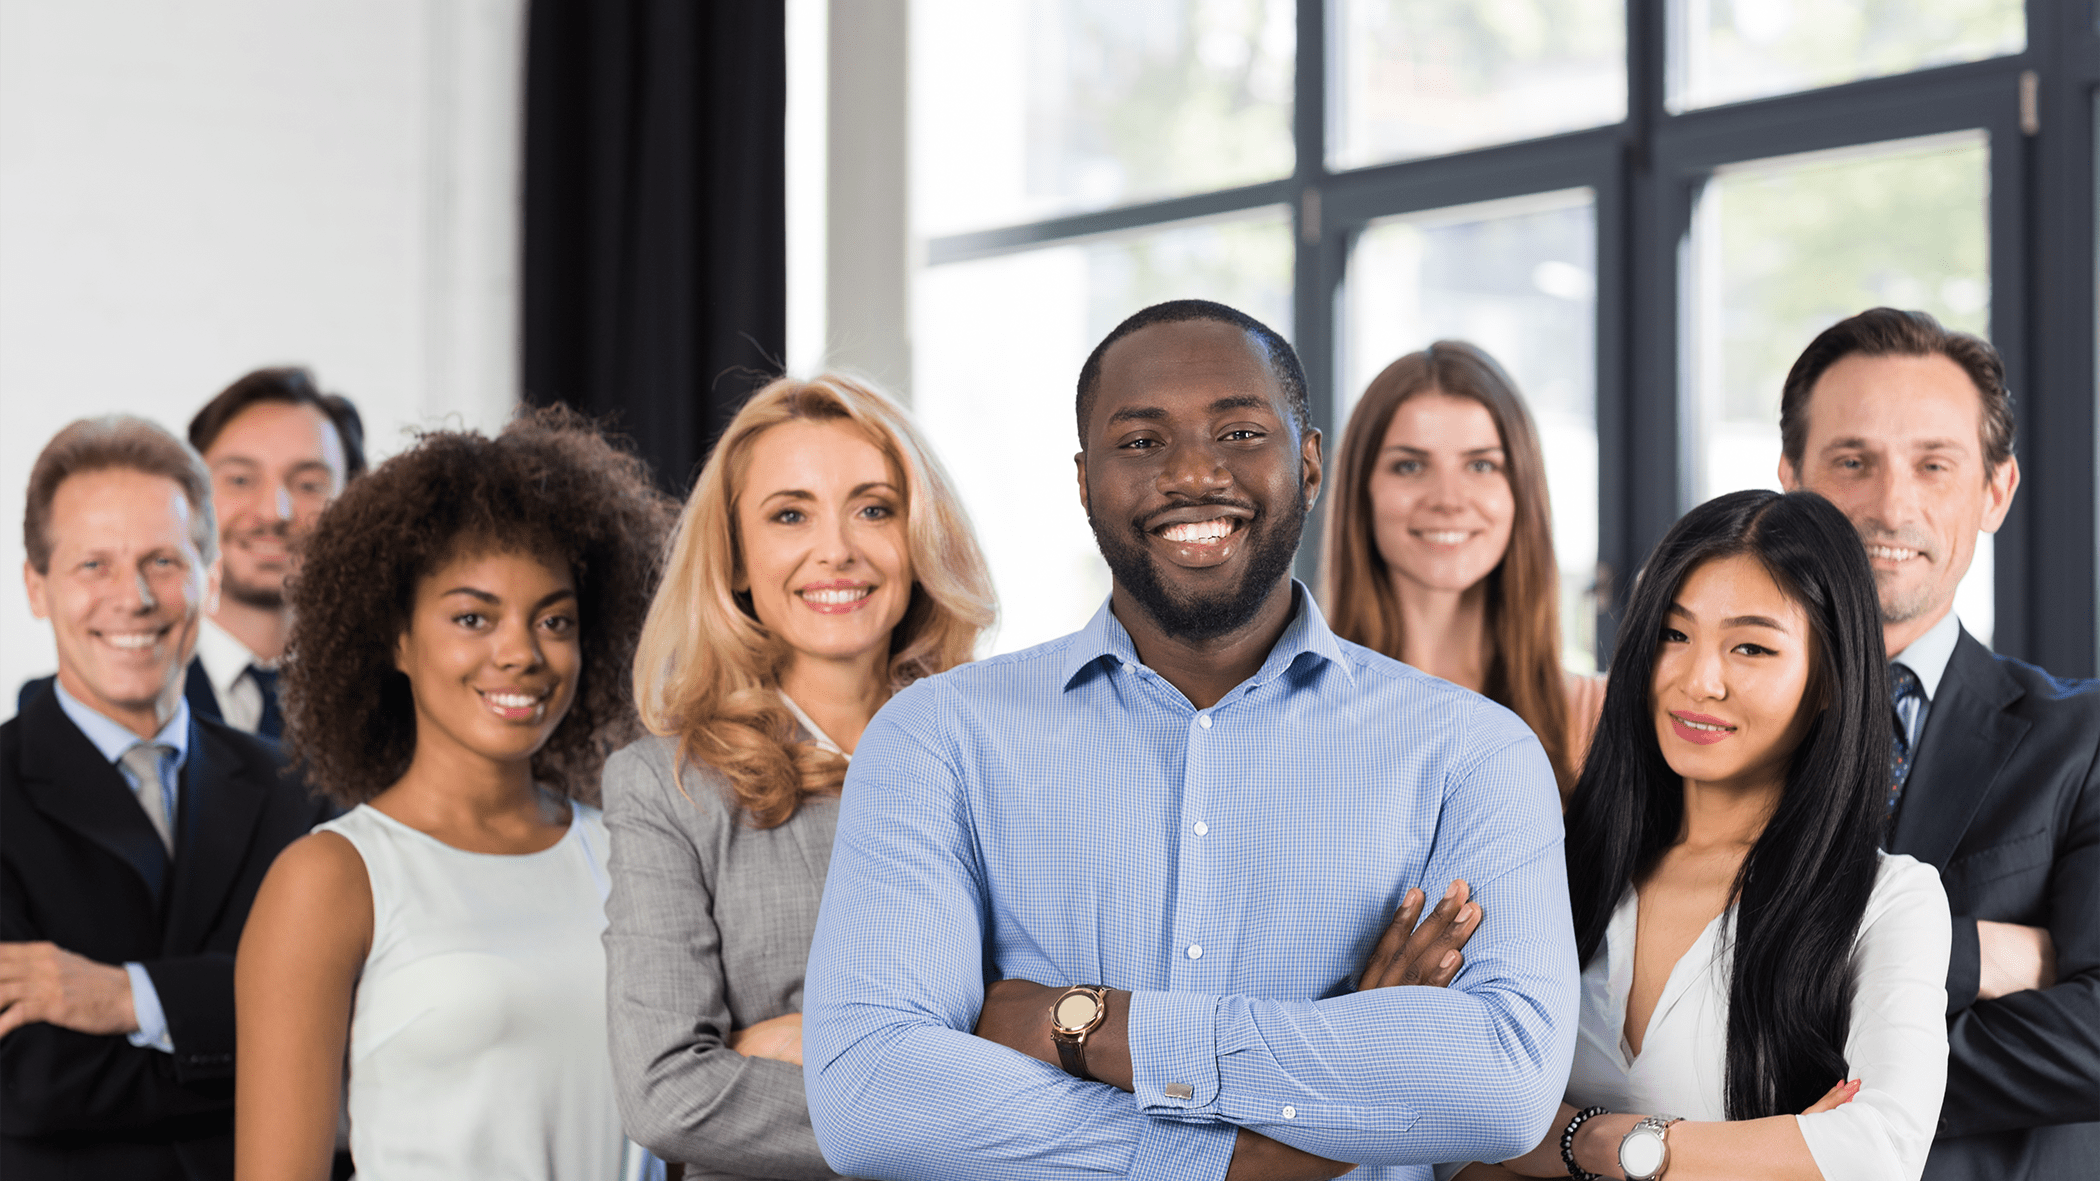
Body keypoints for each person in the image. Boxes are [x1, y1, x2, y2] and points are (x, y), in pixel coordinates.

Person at [802, 299, 1578, 1181]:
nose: (1196, 474)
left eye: (1241, 432)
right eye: (1140, 442)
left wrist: (1089, 1024)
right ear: (1085, 479)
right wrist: (1280, 1129)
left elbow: (1504, 1082)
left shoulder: (1473, 752)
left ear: (1310, 462)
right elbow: (870, 1093)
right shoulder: (935, 738)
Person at [1448, 489, 1951, 1181]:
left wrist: (1582, 1139)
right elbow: (1452, 1131)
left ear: (1830, 677)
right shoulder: (1554, 861)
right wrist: (1775, 1148)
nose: (1698, 680)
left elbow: (1878, 1150)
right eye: (1673, 635)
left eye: (1750, 646)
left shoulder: (1890, 899)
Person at [232, 409, 675, 1181]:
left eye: (554, 619)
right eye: (473, 616)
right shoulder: (332, 879)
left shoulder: (631, 853)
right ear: (397, 638)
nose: (520, 653)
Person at [601, 375, 995, 1179]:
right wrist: (962, 1105)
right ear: (738, 559)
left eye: (874, 507)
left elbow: (1074, 1026)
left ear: (919, 535)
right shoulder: (666, 786)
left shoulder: (999, 759)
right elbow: (669, 1093)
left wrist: (816, 1041)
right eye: (790, 514)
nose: (838, 547)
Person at [1776, 308, 2100, 1180]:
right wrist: (1983, 956)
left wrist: (1799, 1067)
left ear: (1994, 492)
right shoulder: (1704, 722)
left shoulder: (2085, 739)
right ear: (1791, 484)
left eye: (1934, 464)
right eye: (1853, 461)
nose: (1892, 504)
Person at [1, 416, 330, 1179]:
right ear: (35, 586)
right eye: (93, 565)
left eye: (162, 560)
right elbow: (28, 1082)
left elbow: (351, 1010)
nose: (135, 597)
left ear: (209, 579)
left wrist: (133, 998)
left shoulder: (303, 788)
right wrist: (263, 1047)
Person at [1323, 341, 1604, 802]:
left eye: (1481, 465)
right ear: (1363, 492)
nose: (1448, 499)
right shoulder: (1287, 716)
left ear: (1520, 492)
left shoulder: (1599, 718)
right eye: (1410, 466)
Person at [185, 366, 365, 740]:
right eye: (239, 480)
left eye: (309, 485)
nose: (274, 513)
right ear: (188, 496)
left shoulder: (392, 699)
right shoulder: (129, 689)